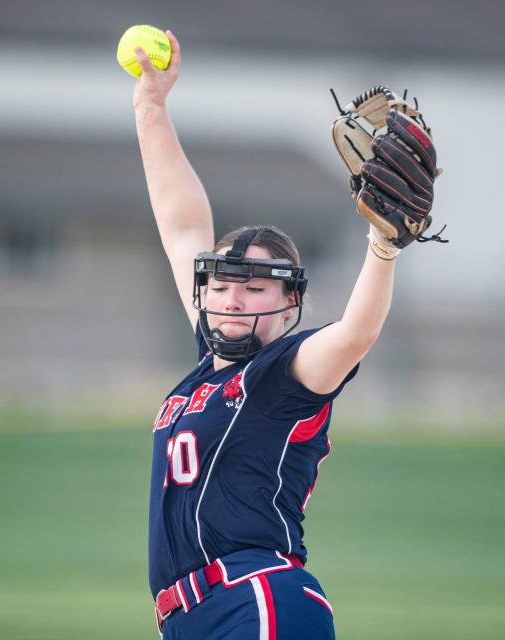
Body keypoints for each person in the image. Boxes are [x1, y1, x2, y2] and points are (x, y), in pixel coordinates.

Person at [134, 31, 401, 639]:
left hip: (256, 599)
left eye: (255, 288)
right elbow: (181, 225)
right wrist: (151, 107)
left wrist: (383, 246)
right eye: (223, 283)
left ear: (288, 306)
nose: (233, 297)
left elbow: (355, 335)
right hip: (190, 618)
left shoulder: (283, 372)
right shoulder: (209, 363)